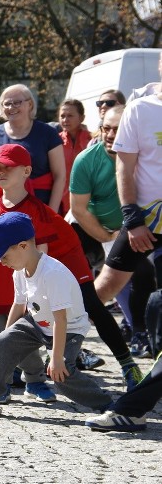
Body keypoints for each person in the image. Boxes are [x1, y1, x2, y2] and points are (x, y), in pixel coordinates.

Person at [0, 144, 142, 394]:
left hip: (65, 254)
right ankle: (48, 364)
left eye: (6, 167)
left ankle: (128, 365)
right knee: (36, 310)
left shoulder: (36, 210)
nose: (0, 172)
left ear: (26, 171)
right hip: (35, 258)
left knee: (89, 305)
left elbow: (41, 255)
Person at [0, 213, 113, 417]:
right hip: (38, 322)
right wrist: (6, 338)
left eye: (3, 256)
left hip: (68, 329)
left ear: (23, 246)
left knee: (61, 374)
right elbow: (18, 306)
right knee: (2, 341)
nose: (0, 262)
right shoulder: (19, 270)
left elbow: (60, 320)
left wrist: (57, 358)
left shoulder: (52, 273)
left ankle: (108, 405)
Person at [69, 105, 155, 359]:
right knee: (70, 273)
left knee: (143, 273)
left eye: (116, 129)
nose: (109, 134)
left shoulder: (145, 158)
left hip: (131, 227)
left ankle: (140, 333)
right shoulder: (86, 159)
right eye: (105, 128)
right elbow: (79, 209)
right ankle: (68, 333)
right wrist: (107, 238)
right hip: (91, 227)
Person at [94, 79, 162, 343]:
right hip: (144, 219)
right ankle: (63, 347)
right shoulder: (140, 109)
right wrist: (133, 221)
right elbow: (123, 168)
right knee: (105, 287)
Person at [0, 85, 66, 212]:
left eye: (17, 103)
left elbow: (60, 176)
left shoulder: (48, 133)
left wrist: (51, 213)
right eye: (7, 103)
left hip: (42, 207)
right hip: (5, 208)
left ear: (30, 104)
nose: (11, 107)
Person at [58, 99, 91, 214]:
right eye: (62, 116)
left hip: (87, 203)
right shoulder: (54, 142)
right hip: (60, 204)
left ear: (81, 118)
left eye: (70, 116)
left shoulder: (92, 141)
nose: (65, 120)